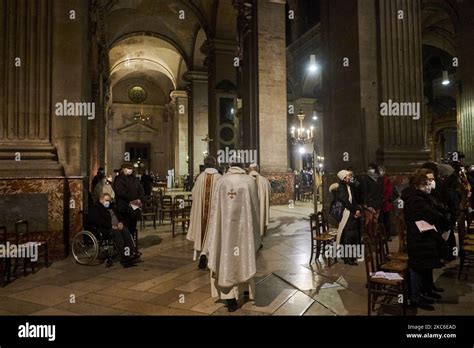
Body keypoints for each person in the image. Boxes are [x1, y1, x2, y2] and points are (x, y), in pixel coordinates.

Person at [204, 161, 261, 312]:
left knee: (226, 259)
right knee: (244, 257)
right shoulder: (249, 181)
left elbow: (215, 210)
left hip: (224, 231)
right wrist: (257, 233)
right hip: (244, 231)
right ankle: (245, 291)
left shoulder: (222, 181)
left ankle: (230, 299)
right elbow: (255, 209)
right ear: (242, 167)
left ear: (230, 166)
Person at [401, 172, 446, 311]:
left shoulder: (420, 197)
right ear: (417, 185)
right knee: (417, 268)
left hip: (423, 238)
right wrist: (437, 214)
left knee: (425, 266)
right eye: (425, 183)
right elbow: (431, 215)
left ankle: (425, 290)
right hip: (419, 238)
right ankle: (415, 298)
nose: (428, 185)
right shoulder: (416, 199)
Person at [187, 156, 222, 269]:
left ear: (205, 165)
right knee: (213, 231)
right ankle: (208, 255)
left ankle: (202, 253)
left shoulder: (200, 178)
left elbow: (193, 194)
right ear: (215, 164)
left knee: (201, 231)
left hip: (201, 213)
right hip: (214, 212)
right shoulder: (219, 178)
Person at [87, 193, 140, 267]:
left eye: (109, 200)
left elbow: (119, 216)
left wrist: (121, 222)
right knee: (117, 233)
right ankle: (124, 257)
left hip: (117, 225)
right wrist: (111, 226)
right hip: (106, 228)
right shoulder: (96, 208)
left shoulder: (112, 207)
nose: (108, 202)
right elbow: (98, 221)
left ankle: (130, 253)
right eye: (106, 200)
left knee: (125, 231)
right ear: (101, 200)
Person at [334, 170, 362, 265]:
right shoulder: (341, 188)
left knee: (352, 235)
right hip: (346, 214)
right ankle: (348, 258)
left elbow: (353, 200)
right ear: (344, 178)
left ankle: (351, 256)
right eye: (348, 176)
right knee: (348, 236)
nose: (350, 178)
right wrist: (355, 211)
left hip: (351, 212)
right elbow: (346, 202)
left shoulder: (349, 186)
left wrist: (357, 209)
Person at [114, 163, 145, 240]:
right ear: (124, 169)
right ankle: (126, 244)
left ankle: (131, 243)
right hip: (124, 207)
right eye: (128, 168)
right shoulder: (119, 179)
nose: (130, 170)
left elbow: (141, 189)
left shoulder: (134, 178)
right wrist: (133, 199)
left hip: (134, 206)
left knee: (133, 226)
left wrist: (140, 199)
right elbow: (121, 192)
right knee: (125, 227)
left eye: (131, 168)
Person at [248, 163, 272, 238]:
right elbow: (269, 196)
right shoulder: (265, 181)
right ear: (257, 169)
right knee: (260, 218)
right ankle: (260, 235)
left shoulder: (245, 180)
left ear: (250, 169)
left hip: (249, 208)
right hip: (260, 208)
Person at [361, 163, 384, 237]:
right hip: (369, 203)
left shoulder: (379, 178)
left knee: (375, 221)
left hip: (377, 203)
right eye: (369, 168)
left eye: (371, 168)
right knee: (369, 221)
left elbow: (381, 190)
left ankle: (374, 237)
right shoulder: (366, 178)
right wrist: (366, 203)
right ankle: (369, 238)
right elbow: (364, 191)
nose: (370, 170)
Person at [379, 166, 394, 241]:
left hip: (386, 203)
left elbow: (389, 192)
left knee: (387, 221)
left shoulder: (387, 180)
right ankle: (382, 236)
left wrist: (384, 199)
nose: (381, 172)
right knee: (380, 221)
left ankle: (388, 235)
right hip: (379, 203)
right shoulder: (378, 180)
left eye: (382, 170)